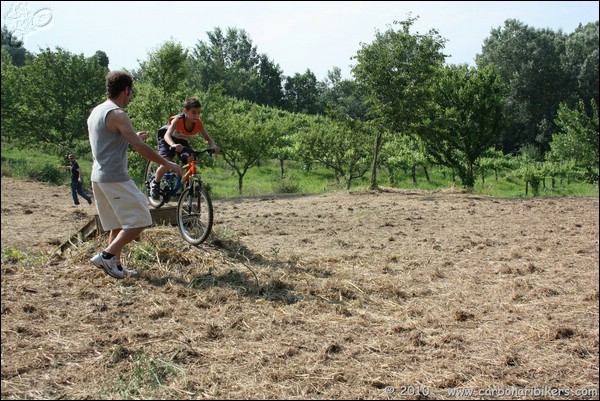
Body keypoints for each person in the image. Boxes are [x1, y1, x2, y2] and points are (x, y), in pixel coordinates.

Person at [87, 70, 183, 279]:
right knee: (141, 217)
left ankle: (116, 265)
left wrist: (129, 136)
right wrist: (167, 163)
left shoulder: (97, 111)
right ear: (126, 90)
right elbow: (140, 147)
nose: (130, 97)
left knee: (117, 223)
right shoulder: (117, 114)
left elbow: (108, 140)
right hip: (115, 177)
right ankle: (106, 255)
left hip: (98, 176)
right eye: (130, 93)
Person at [150, 96, 220, 199]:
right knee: (167, 162)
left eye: (199, 112)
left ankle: (188, 188)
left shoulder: (198, 124)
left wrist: (213, 147)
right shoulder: (178, 120)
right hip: (166, 138)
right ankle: (155, 183)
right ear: (185, 111)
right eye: (193, 112)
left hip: (181, 141)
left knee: (190, 159)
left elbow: (208, 139)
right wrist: (173, 145)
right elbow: (167, 136)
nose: (197, 115)